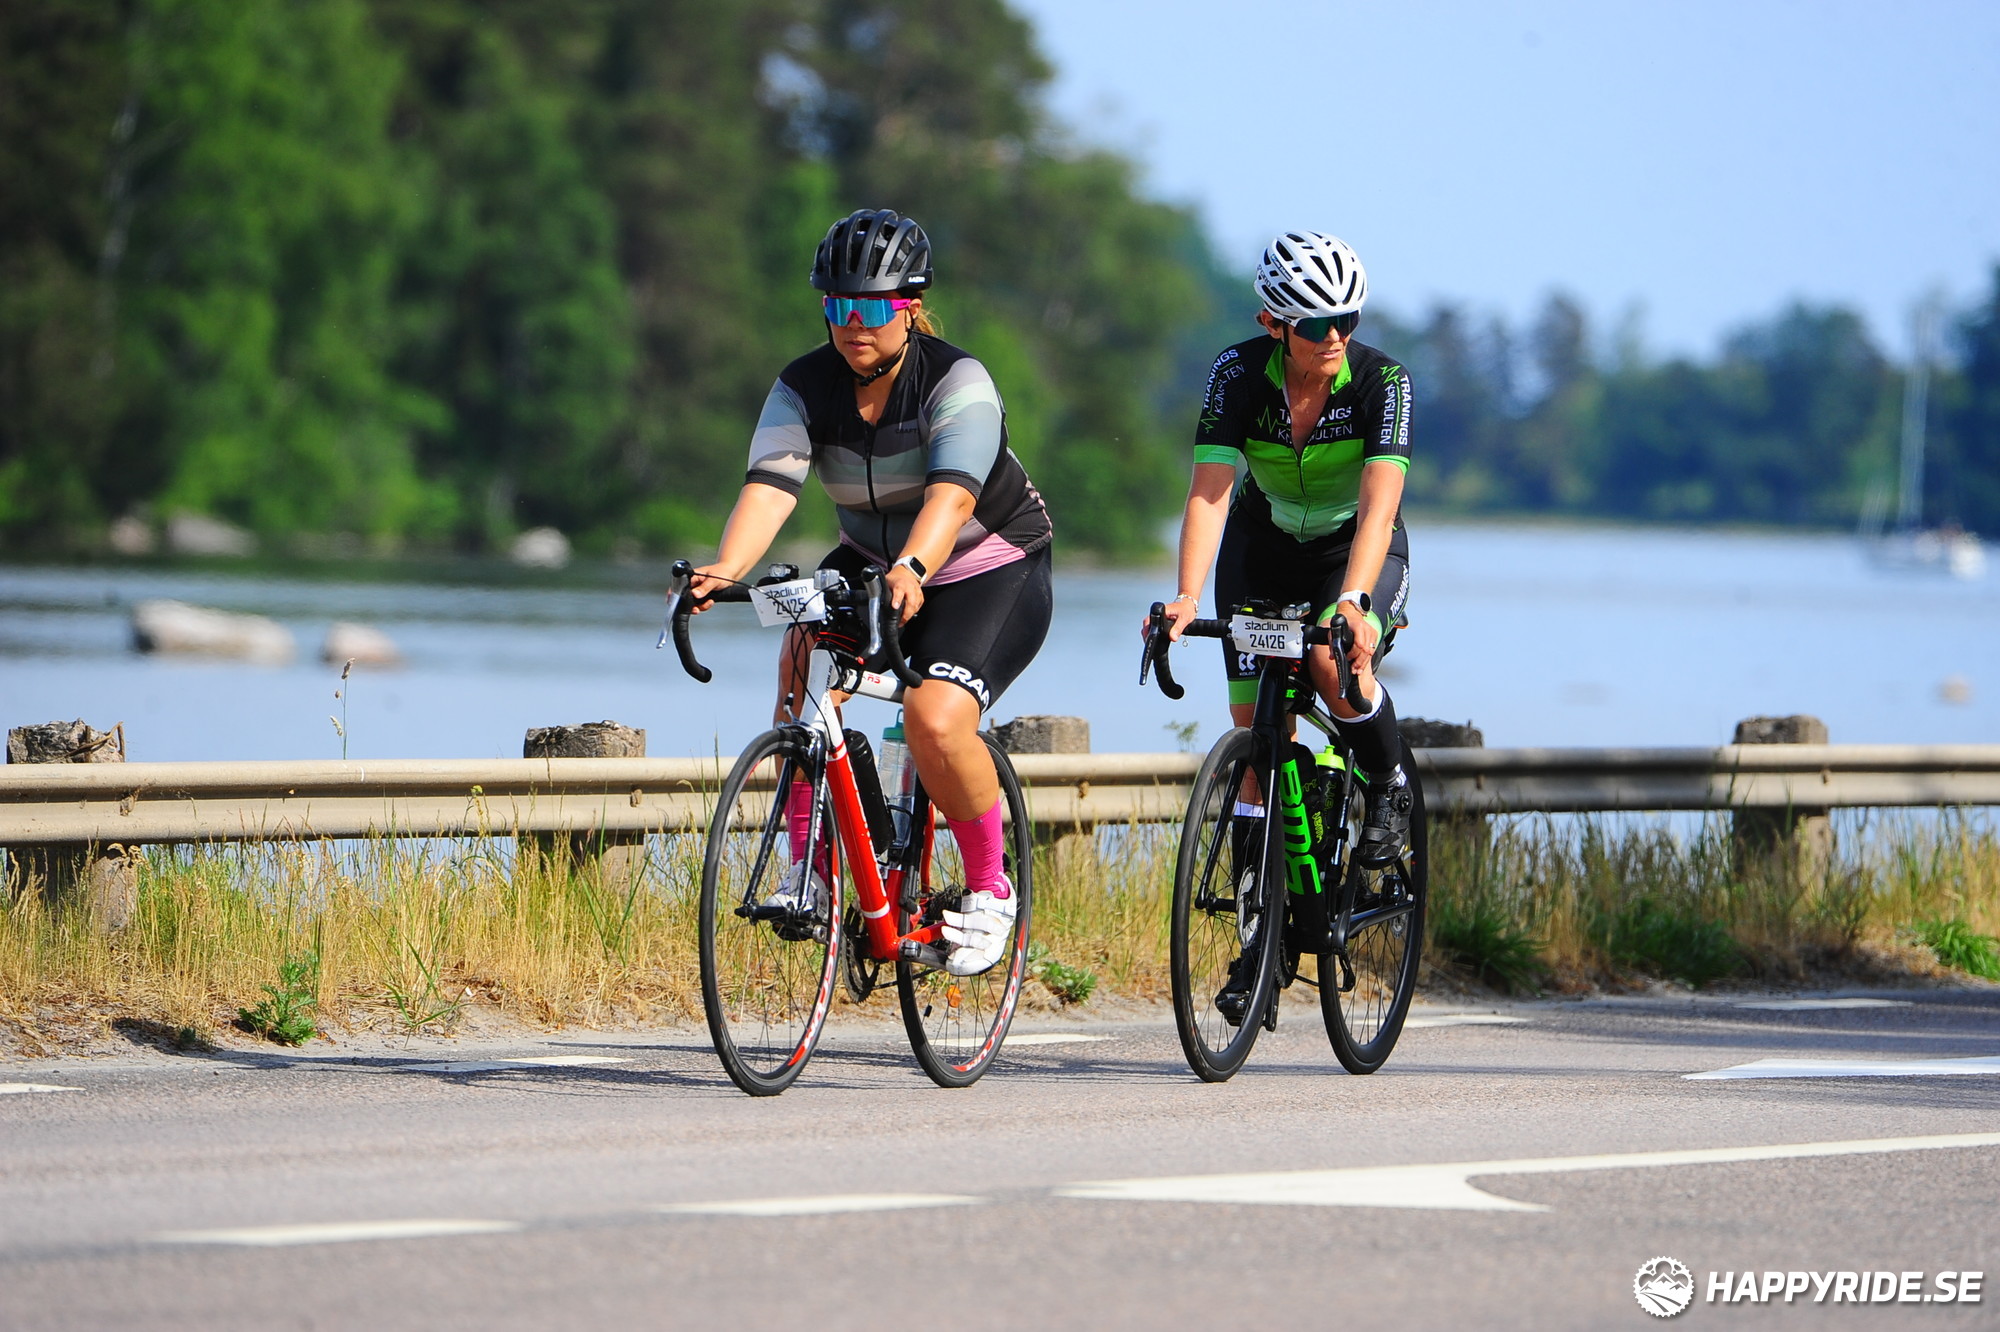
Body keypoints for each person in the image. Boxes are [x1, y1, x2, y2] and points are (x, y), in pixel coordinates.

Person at [686, 208, 1053, 976]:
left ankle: (991, 889)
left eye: (873, 307)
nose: (854, 323)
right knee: (798, 665)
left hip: (986, 566)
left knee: (934, 718)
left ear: (911, 307)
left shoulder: (958, 382)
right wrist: (724, 567)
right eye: (838, 304)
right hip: (867, 561)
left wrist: (912, 570)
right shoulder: (803, 386)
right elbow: (770, 487)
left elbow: (952, 498)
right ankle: (808, 872)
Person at [1154, 230, 1415, 1013]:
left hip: (1353, 550)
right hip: (1261, 546)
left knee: (1334, 665)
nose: (1335, 336)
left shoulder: (1383, 381)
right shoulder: (1237, 373)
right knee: (1256, 748)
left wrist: (1354, 601)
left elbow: (1379, 510)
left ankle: (1387, 781)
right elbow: (1209, 493)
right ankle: (1260, 945)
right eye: (1316, 324)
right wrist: (1184, 596)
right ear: (1273, 324)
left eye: (1347, 319)